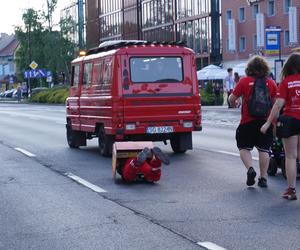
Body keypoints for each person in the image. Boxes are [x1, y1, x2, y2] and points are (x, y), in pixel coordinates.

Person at [228, 56, 277, 188]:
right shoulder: (271, 83)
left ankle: (250, 169)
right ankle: (263, 178)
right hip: (265, 122)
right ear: (265, 68)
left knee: (243, 147)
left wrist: (236, 102)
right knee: (264, 149)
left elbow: (231, 99)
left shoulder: (244, 81)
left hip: (247, 121)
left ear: (249, 68)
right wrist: (274, 123)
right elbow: (276, 105)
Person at [261, 53, 300, 200]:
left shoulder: (286, 82)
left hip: (291, 121)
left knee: (291, 156)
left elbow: (278, 105)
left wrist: (267, 122)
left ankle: (291, 190)